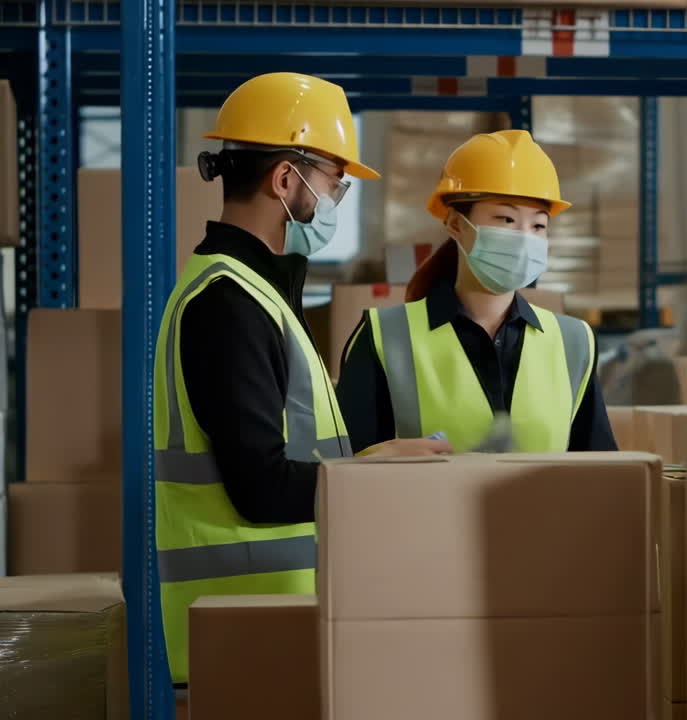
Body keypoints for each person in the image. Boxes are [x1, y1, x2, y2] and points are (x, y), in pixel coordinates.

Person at [152, 72, 449, 684]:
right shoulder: (228, 304)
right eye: (334, 184)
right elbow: (260, 487)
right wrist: (374, 469)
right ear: (286, 179)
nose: (336, 202)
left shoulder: (254, 293)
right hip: (240, 630)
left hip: (263, 623)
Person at [337, 129, 617, 453]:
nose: (524, 238)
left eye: (538, 225)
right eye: (506, 219)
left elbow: (599, 469)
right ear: (456, 224)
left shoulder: (574, 342)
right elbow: (345, 470)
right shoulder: (386, 336)